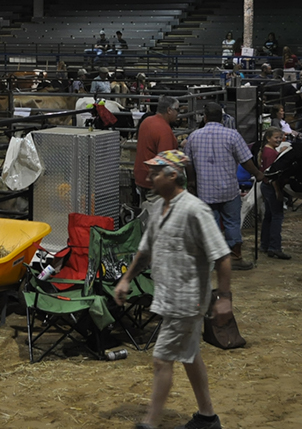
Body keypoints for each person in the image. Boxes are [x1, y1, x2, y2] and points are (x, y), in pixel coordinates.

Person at [114, 151, 231, 429]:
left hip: (187, 300)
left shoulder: (194, 209)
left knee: (161, 359)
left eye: (156, 172)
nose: (150, 177)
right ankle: (207, 417)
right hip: (170, 297)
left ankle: (150, 423)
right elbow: (145, 250)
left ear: (173, 175)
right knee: (190, 357)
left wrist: (224, 297)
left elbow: (222, 256)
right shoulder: (159, 208)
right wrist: (126, 279)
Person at [183, 102, 265, 270]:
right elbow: (246, 160)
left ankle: (210, 260)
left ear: (205, 118)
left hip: (205, 189)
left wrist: (191, 182)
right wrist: (258, 174)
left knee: (209, 224)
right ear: (222, 118)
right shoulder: (232, 135)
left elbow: (188, 163)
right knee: (232, 223)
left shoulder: (194, 136)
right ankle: (235, 257)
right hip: (228, 188)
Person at [133, 96, 180, 207]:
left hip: (141, 177)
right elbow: (165, 162)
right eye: (177, 110)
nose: (178, 113)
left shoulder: (147, 121)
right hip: (155, 183)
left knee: (145, 215)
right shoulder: (164, 130)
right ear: (169, 110)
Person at [258, 127, 290, 259]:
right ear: (268, 138)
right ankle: (275, 247)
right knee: (277, 216)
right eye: (276, 137)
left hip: (265, 186)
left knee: (269, 216)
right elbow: (273, 176)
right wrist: (278, 192)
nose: (278, 140)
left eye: (280, 137)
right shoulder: (271, 154)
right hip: (271, 187)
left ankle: (265, 245)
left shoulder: (267, 151)